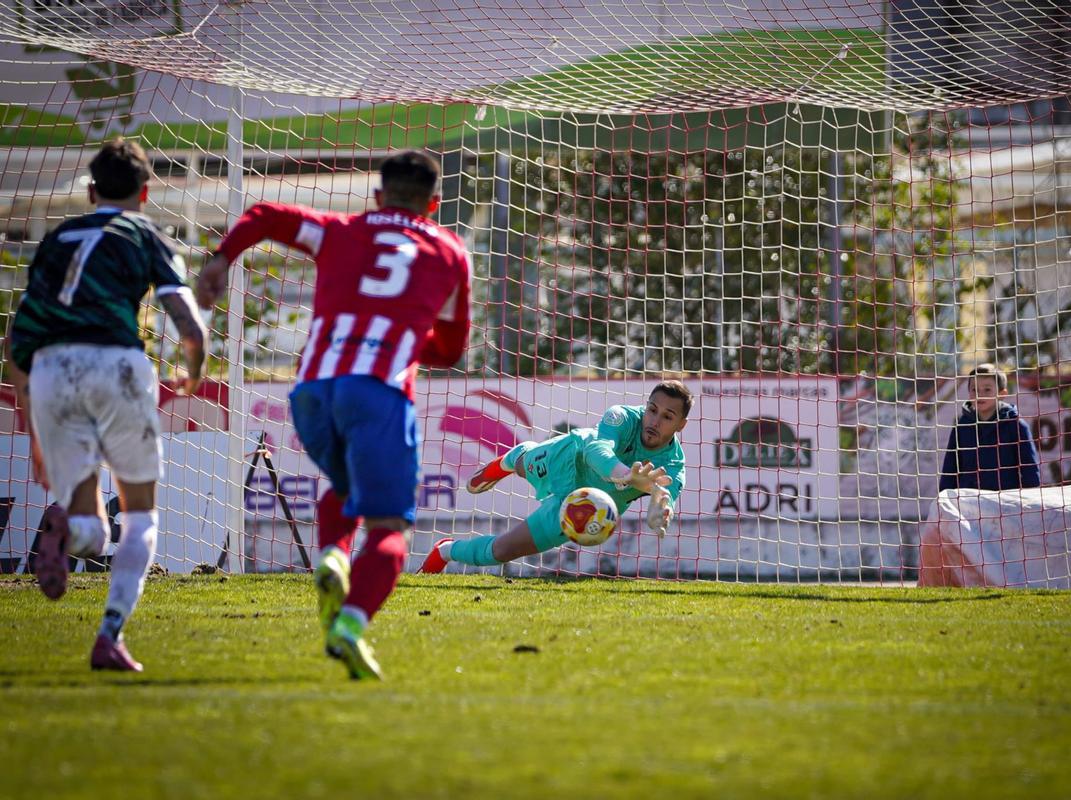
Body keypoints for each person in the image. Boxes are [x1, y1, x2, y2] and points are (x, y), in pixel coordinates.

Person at [196, 150, 471, 679]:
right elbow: (452, 350)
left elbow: (264, 215)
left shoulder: (338, 230)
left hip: (311, 392)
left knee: (345, 489)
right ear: (434, 204)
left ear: (377, 196)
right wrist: (405, 331)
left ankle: (333, 558)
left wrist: (221, 258)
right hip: (378, 393)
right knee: (390, 526)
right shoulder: (451, 252)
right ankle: (351, 622)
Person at [5, 137, 208, 672]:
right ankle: (110, 634)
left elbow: (18, 335)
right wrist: (193, 369)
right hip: (116, 366)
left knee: (91, 530)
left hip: (51, 370)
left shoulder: (57, 238)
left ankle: (67, 532)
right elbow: (187, 321)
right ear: (145, 192)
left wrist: (31, 419)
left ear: (91, 191)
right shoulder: (144, 233)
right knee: (140, 517)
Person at [419, 381, 691, 573]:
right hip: (568, 459)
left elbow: (666, 497)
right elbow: (597, 451)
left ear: (681, 425)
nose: (654, 421)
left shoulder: (673, 465)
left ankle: (445, 551)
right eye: (652, 410)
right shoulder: (622, 417)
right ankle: (511, 459)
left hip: (585, 509)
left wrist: (661, 509)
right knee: (524, 464)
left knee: (502, 552)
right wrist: (627, 476)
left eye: (667, 417)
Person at [938, 363, 1040, 493]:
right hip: (968, 501)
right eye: (974, 390)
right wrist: (944, 497)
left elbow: (1030, 471)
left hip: (1004, 501)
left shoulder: (1016, 425)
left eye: (987, 390)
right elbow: (950, 470)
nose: (980, 394)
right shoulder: (962, 426)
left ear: (1002, 394)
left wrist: (1028, 500)